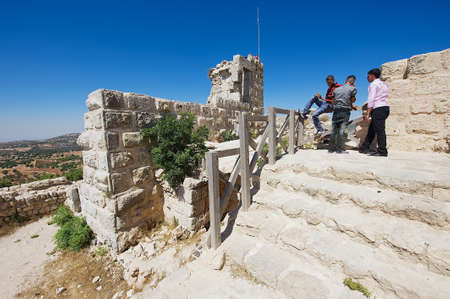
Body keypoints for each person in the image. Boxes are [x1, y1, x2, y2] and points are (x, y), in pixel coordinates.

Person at [359, 68, 390, 157]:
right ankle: (365, 148)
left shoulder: (373, 84)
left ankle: (382, 151)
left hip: (378, 108)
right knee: (372, 129)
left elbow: (371, 99)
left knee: (380, 130)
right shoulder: (383, 84)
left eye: (368, 76)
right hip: (385, 107)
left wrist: (368, 113)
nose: (367, 78)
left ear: (372, 76)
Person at [328, 75, 357, 153]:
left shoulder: (336, 90)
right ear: (352, 82)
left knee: (334, 130)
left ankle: (330, 149)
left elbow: (332, 101)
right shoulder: (353, 89)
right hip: (345, 111)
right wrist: (352, 106)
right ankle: (339, 150)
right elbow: (352, 100)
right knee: (341, 130)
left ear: (346, 80)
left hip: (336, 110)